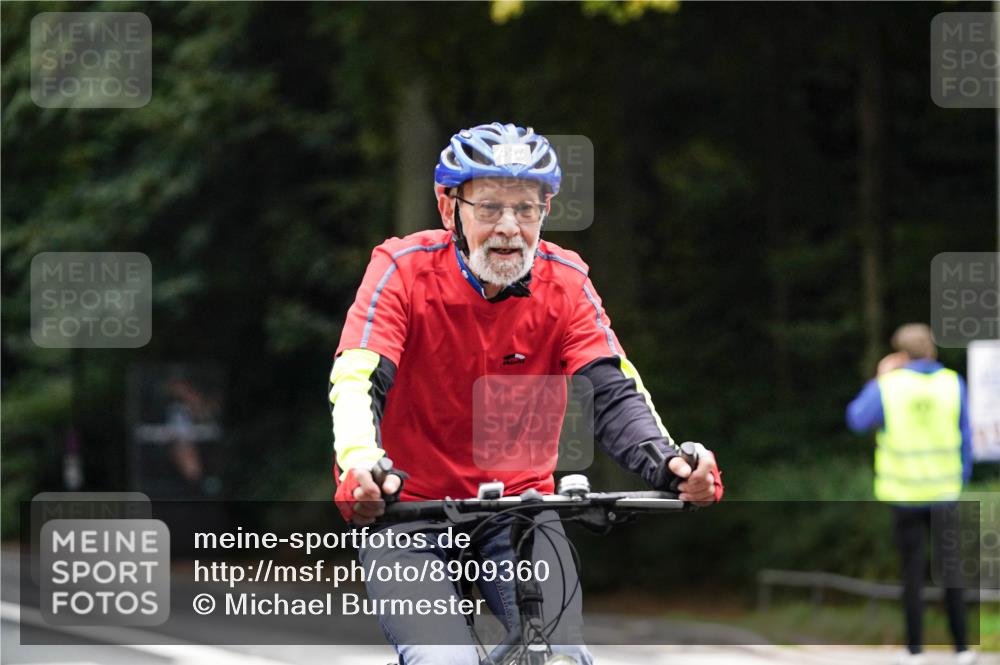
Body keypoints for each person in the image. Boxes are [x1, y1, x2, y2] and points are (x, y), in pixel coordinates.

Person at [329, 122, 724, 665]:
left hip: (519, 510)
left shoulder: (566, 282)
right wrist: (361, 464)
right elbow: (357, 378)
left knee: (563, 655)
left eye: (526, 209)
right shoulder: (402, 269)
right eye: (489, 208)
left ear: (546, 211)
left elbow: (610, 388)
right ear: (450, 209)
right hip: (409, 515)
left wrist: (669, 464)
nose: (509, 228)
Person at [847, 323, 977, 665]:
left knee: (911, 574)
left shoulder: (889, 386)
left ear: (901, 355)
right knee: (951, 572)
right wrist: (961, 477)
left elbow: (857, 419)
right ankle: (962, 649)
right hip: (945, 492)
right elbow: (966, 436)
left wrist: (879, 377)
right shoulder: (953, 383)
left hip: (904, 494)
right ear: (931, 349)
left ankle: (915, 650)